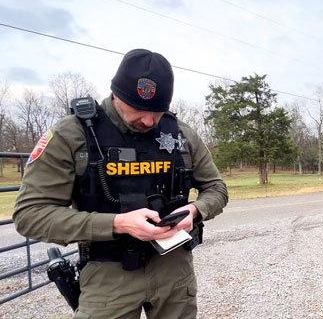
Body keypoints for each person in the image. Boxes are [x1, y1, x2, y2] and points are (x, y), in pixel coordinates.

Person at [13, 49, 229, 318]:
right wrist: (118, 224)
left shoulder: (181, 134)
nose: (149, 121)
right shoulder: (73, 135)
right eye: (138, 109)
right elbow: (29, 215)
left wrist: (194, 211)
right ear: (117, 94)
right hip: (108, 276)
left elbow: (217, 189)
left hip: (174, 269)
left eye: (158, 111)